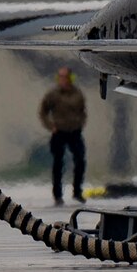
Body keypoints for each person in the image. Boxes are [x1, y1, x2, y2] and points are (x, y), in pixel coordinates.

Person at [39, 66, 87, 206]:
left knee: (80, 161)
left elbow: (83, 111)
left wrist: (81, 123)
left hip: (74, 132)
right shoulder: (52, 94)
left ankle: (77, 191)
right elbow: (43, 112)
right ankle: (57, 195)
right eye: (60, 77)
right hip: (59, 132)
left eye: (65, 77)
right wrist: (50, 126)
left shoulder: (77, 94)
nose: (63, 80)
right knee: (58, 164)